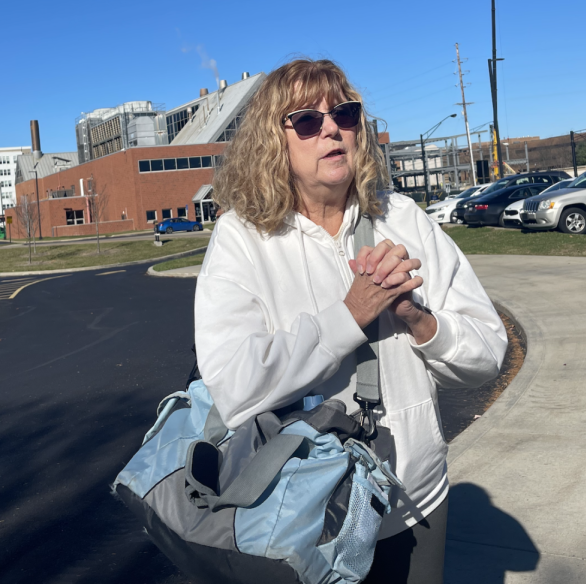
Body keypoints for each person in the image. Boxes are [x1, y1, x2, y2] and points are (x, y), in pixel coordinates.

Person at [194, 57, 508, 584]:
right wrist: (349, 316)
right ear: (275, 140)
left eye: (344, 113)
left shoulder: (405, 219)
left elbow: (487, 357)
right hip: (307, 521)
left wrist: (417, 319)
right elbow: (233, 383)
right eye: (308, 121)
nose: (332, 129)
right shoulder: (242, 239)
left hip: (416, 503)